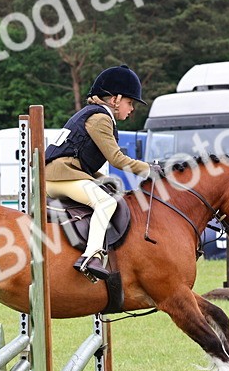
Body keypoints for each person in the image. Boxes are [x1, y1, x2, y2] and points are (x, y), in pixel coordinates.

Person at [44, 64, 152, 280]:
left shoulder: (91, 114)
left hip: (59, 173)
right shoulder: (101, 118)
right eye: (130, 103)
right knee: (106, 203)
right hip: (59, 176)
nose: (131, 110)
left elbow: (82, 163)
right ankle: (90, 256)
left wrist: (104, 180)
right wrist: (150, 169)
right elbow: (117, 159)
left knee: (109, 193)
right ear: (115, 99)